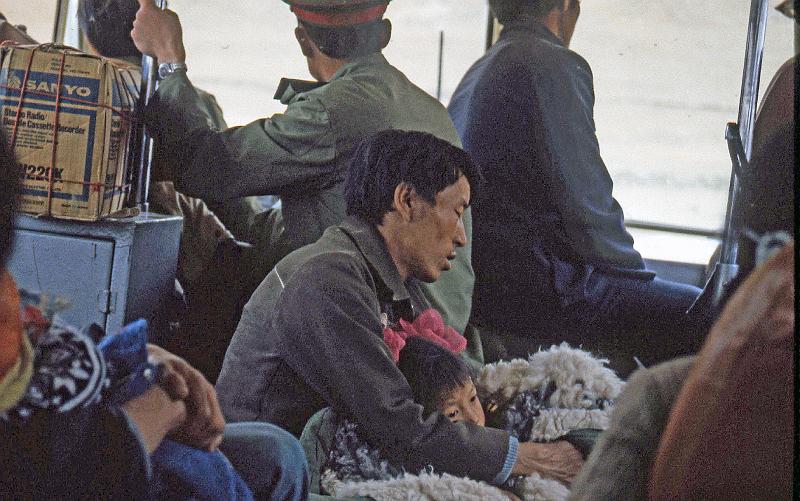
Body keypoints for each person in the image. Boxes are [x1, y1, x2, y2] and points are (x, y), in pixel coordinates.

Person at [216, 130, 583, 488]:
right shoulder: (329, 278)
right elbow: (396, 423)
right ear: (406, 200)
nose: (461, 236)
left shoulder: (385, 278)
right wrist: (526, 458)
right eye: (456, 212)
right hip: (266, 479)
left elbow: (456, 377)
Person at [129, 0, 482, 368]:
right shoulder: (428, 109)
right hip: (442, 343)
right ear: (383, 33)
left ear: (303, 39)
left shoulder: (334, 110)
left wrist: (169, 60)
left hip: (392, 346)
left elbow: (206, 164)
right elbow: (302, 225)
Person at [0, 131, 309, 500]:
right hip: (95, 453)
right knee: (271, 460)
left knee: (277, 450)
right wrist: (162, 409)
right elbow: (50, 476)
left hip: (95, 416)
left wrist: (140, 358)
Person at [447, 0, 703, 374]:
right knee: (699, 310)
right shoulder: (553, 63)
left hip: (487, 287)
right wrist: (636, 277)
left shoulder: (478, 70)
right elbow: (586, 206)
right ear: (567, 5)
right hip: (539, 291)